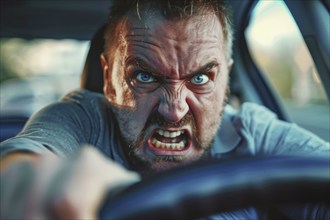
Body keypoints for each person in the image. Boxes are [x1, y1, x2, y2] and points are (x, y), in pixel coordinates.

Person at [0, 0, 329, 219]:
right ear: (108, 79)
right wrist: (25, 181)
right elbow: (29, 153)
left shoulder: (251, 133)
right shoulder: (82, 119)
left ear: (226, 79)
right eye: (144, 76)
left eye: (200, 78)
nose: (173, 111)